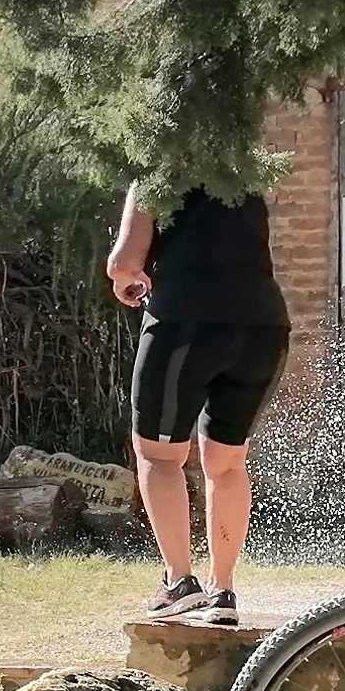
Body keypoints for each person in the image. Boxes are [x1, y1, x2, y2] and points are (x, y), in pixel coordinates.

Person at [104, 183, 291, 625]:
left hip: (184, 319)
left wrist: (125, 282)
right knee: (227, 461)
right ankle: (222, 590)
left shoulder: (157, 172)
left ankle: (179, 582)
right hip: (263, 325)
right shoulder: (245, 173)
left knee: (158, 454)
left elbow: (125, 262)